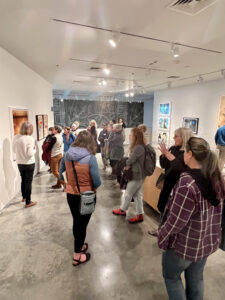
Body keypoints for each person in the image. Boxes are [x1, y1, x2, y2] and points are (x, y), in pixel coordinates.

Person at [158, 137, 225, 300]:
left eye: (184, 152)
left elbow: (175, 221)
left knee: (172, 278)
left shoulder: (187, 183)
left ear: (190, 154)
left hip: (184, 246)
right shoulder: (215, 177)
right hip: (205, 244)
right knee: (196, 279)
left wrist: (162, 236)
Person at [60, 131, 101, 266]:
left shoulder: (66, 155)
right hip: (87, 196)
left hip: (71, 195)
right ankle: (77, 255)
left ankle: (80, 245)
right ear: (90, 143)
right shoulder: (91, 158)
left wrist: (71, 182)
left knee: (76, 222)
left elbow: (61, 176)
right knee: (81, 225)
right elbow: (97, 182)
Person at [148, 128, 193, 236]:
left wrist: (168, 154)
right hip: (168, 184)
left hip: (178, 186)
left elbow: (179, 168)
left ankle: (167, 234)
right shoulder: (173, 148)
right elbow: (164, 165)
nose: (173, 138)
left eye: (176, 136)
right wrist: (163, 155)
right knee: (163, 208)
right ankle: (161, 231)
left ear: (184, 137)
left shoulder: (187, 153)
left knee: (173, 212)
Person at [112, 127, 147, 223]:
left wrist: (127, 163)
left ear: (135, 136)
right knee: (137, 195)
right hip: (139, 174)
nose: (129, 136)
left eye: (131, 134)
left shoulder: (138, 147)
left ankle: (122, 210)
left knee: (128, 194)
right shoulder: (140, 146)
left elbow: (130, 160)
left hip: (136, 175)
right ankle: (140, 214)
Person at [13, 121, 37, 208]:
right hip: (29, 163)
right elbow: (29, 154)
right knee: (28, 182)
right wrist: (35, 150)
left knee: (23, 179)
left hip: (20, 163)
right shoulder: (30, 138)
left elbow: (14, 150)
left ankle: (23, 197)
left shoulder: (16, 137)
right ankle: (28, 201)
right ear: (30, 129)